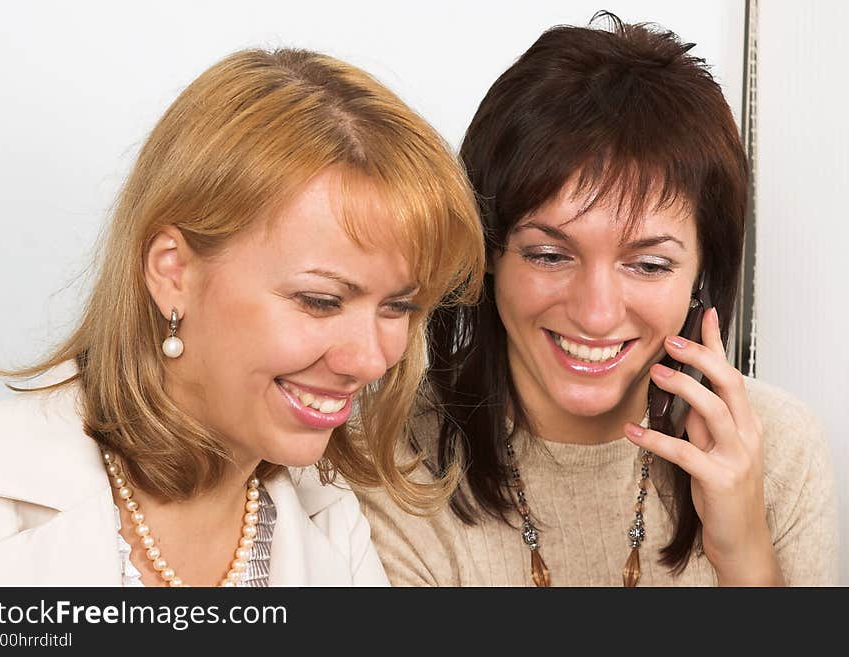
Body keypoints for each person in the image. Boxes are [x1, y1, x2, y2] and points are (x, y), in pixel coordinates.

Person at [0, 48, 484, 586]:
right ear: (173, 273)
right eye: (321, 300)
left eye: (398, 306)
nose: (369, 360)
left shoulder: (336, 527)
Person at [357, 14, 838, 586]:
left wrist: (744, 556)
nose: (597, 313)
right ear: (487, 251)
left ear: (701, 272)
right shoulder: (385, 452)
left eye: (649, 264)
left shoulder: (780, 449)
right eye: (549, 255)